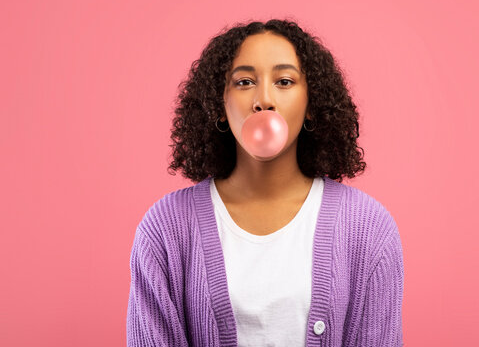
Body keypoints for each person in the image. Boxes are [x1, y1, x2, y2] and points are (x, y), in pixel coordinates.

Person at [126, 19, 404, 346]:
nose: (264, 100)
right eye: (244, 82)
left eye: (285, 81)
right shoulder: (165, 229)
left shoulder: (369, 228)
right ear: (219, 104)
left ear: (311, 104)